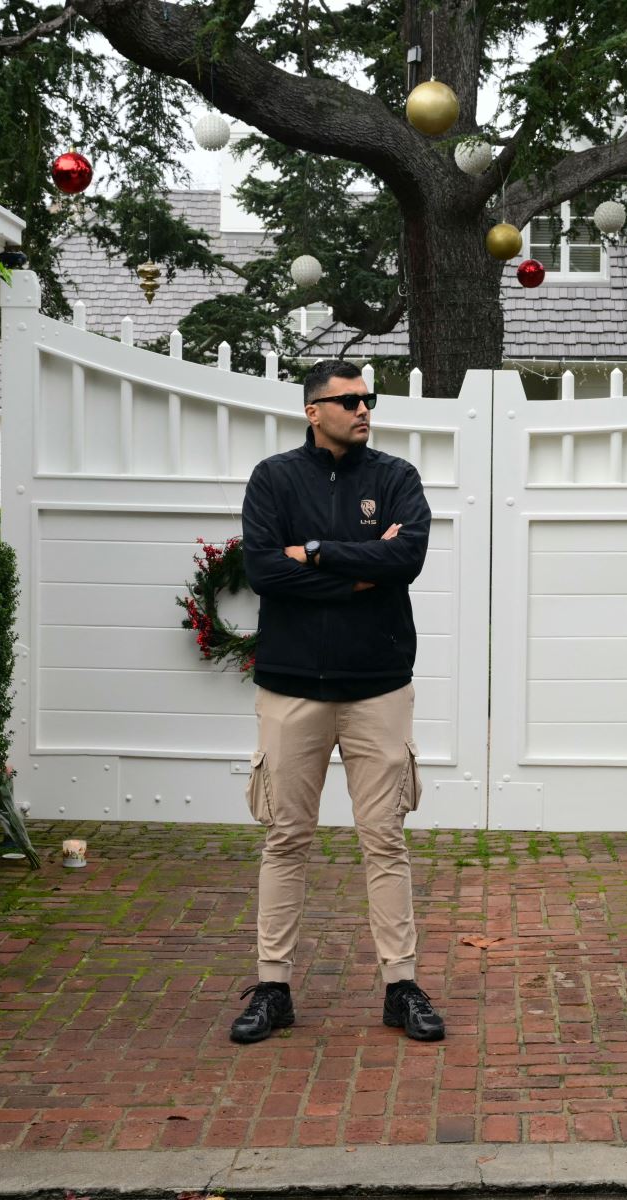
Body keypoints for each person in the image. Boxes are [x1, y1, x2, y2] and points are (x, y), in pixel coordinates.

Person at [228, 359, 445, 1044]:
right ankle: (273, 986)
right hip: (291, 687)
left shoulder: (395, 478)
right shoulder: (273, 479)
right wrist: (357, 571)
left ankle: (400, 985)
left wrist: (315, 552)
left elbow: (404, 561)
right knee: (286, 837)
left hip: (378, 686)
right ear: (312, 410)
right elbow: (262, 569)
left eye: (367, 398)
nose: (362, 409)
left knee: (385, 841)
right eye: (347, 400)